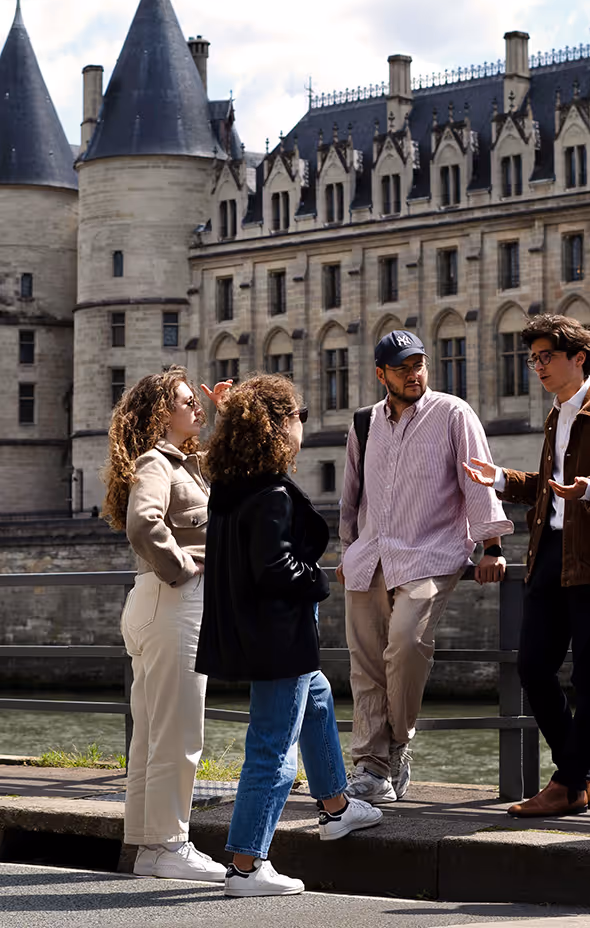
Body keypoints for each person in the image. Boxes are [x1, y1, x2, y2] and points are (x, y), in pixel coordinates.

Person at [464, 313, 590, 818]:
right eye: (533, 359)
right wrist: (503, 479)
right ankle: (577, 778)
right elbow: (550, 489)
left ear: (579, 357)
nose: (537, 367)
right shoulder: (558, 413)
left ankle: (569, 782)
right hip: (550, 551)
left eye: (546, 357)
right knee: (533, 666)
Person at [196, 374, 382, 898]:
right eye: (298, 417)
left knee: (317, 700)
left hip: (258, 630)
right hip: (278, 634)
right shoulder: (271, 493)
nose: (304, 426)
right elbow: (275, 567)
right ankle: (246, 864)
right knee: (273, 747)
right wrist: (318, 579)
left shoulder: (234, 485)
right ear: (280, 426)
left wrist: (228, 410)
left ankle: (336, 809)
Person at [338, 330, 513, 803]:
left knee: (407, 643)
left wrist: (491, 547)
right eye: (402, 367)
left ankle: (396, 745)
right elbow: (352, 495)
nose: (414, 373)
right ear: (381, 374)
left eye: (419, 364)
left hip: (430, 551)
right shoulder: (363, 423)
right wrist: (348, 549)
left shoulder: (454, 413)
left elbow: (478, 480)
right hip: (370, 557)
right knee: (366, 665)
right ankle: (370, 767)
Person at [102, 367, 227, 882]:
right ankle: (170, 846)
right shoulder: (157, 461)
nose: (194, 407)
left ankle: (152, 848)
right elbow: (143, 523)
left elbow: (229, 467)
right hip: (173, 600)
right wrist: (182, 567)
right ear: (161, 414)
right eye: (184, 401)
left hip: (157, 603)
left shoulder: (187, 464)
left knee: (155, 733)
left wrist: (222, 412)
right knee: (178, 733)